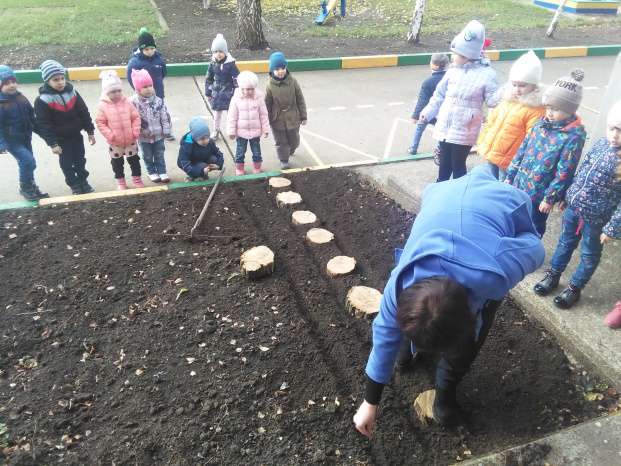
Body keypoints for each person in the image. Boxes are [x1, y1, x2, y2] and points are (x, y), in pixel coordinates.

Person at [353, 164, 544, 436]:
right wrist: (369, 402)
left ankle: (444, 397)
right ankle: (405, 356)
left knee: (468, 343)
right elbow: (385, 331)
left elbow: (536, 248)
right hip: (441, 197)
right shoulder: (402, 282)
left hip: (494, 214)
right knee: (429, 327)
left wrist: (516, 235)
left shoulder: (497, 271)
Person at [533, 100, 621, 309]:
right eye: (612, 128)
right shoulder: (601, 144)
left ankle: (575, 287)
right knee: (565, 242)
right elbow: (582, 173)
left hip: (597, 219)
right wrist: (567, 195)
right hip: (574, 208)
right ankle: (553, 274)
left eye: (620, 131)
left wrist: (611, 228)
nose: (614, 135)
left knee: (589, 254)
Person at [505, 69, 587, 237]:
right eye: (548, 107)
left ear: (570, 110)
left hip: (539, 195)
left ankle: (529, 249)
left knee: (533, 226)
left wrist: (549, 198)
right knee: (513, 218)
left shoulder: (573, 137)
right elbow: (522, 151)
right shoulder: (540, 124)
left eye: (556, 109)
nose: (549, 112)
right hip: (520, 184)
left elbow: (565, 172)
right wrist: (510, 175)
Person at [419, 20, 499, 182]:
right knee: (444, 163)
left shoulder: (487, 74)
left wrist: (507, 94)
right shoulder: (452, 71)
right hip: (446, 127)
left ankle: (459, 192)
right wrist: (427, 112)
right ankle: (440, 190)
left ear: (468, 56)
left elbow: (493, 101)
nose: (452, 56)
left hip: (465, 129)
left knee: (458, 166)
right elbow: (439, 95)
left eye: (457, 54)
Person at [478, 51, 546, 180]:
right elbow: (491, 124)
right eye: (514, 85)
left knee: (503, 185)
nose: (517, 89)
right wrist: (482, 142)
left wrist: (522, 160)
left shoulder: (536, 110)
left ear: (534, 86)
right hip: (492, 154)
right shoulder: (506, 102)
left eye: (522, 85)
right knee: (491, 182)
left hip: (510, 161)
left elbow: (532, 139)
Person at [34, 60, 96, 195]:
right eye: (55, 80)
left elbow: (83, 112)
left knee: (80, 160)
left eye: (62, 78)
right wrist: (53, 143)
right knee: (67, 163)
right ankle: (74, 184)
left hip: (76, 136)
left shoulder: (72, 92)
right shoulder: (43, 100)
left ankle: (83, 181)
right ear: (47, 81)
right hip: (61, 140)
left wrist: (90, 131)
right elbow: (44, 124)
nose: (60, 82)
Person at [0, 65, 48, 200]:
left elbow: (31, 118)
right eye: (6, 83)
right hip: (12, 140)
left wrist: (43, 133)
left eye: (13, 81)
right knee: (27, 161)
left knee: (29, 163)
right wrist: (1, 143)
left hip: (26, 137)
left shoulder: (21, 97)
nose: (11, 85)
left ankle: (32, 186)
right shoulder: (1, 103)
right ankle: (25, 187)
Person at [95, 70, 142, 190]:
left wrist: (135, 131)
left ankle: (137, 179)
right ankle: (121, 182)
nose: (116, 94)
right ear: (106, 92)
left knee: (134, 160)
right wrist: (110, 135)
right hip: (115, 142)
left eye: (119, 91)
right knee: (117, 163)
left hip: (130, 139)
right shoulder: (103, 106)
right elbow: (100, 122)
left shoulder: (127, 102)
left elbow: (136, 117)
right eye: (112, 92)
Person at [126, 27, 174, 141]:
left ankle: (166, 131)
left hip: (158, 92)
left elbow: (163, 72)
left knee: (162, 113)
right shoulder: (135, 62)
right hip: (143, 95)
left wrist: (157, 85)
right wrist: (139, 90)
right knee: (145, 115)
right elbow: (131, 77)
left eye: (152, 48)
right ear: (141, 49)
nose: (150, 51)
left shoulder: (159, 59)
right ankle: (147, 133)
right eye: (147, 49)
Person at [265, 52, 308, 170]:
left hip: (293, 117)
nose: (280, 71)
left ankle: (291, 148)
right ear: (272, 70)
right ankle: (283, 160)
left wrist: (303, 116)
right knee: (281, 141)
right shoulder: (269, 85)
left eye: (283, 68)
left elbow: (300, 99)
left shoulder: (293, 81)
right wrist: (266, 121)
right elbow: (267, 105)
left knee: (294, 140)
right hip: (277, 119)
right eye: (277, 69)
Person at [130, 69, 172, 183]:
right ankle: (151, 172)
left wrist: (166, 129)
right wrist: (138, 131)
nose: (148, 89)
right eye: (144, 87)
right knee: (147, 155)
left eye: (150, 85)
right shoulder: (133, 102)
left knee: (159, 153)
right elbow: (133, 119)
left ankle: (162, 171)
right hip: (144, 136)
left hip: (158, 134)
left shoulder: (158, 101)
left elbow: (164, 116)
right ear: (138, 89)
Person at [227, 71, 270, 176]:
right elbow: (232, 116)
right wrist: (231, 131)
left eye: (251, 89)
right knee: (240, 152)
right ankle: (239, 169)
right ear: (241, 88)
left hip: (255, 132)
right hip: (241, 133)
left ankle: (257, 167)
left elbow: (263, 114)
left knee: (257, 152)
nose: (249, 91)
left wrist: (265, 129)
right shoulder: (236, 99)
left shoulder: (259, 98)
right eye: (246, 89)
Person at [408, 53, 449, 155]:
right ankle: (440, 148)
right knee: (442, 131)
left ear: (435, 66)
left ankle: (413, 148)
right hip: (443, 112)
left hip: (429, 112)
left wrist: (415, 116)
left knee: (420, 127)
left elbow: (422, 100)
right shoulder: (449, 79)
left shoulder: (428, 82)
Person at [205, 33, 240, 140]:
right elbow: (209, 78)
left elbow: (237, 78)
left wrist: (237, 91)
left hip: (229, 93)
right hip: (217, 93)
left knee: (231, 114)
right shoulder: (212, 64)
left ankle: (232, 130)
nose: (218, 54)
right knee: (217, 114)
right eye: (216, 52)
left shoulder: (231, 64)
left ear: (225, 52)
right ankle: (216, 130)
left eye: (221, 51)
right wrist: (208, 91)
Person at [177, 116, 224, 180]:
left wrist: (219, 165)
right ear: (195, 138)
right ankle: (195, 176)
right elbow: (184, 163)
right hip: (190, 163)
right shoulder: (187, 145)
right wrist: (201, 171)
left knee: (214, 159)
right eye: (201, 139)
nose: (205, 141)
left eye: (207, 137)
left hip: (201, 158)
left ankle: (201, 173)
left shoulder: (210, 142)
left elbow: (218, 153)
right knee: (202, 166)